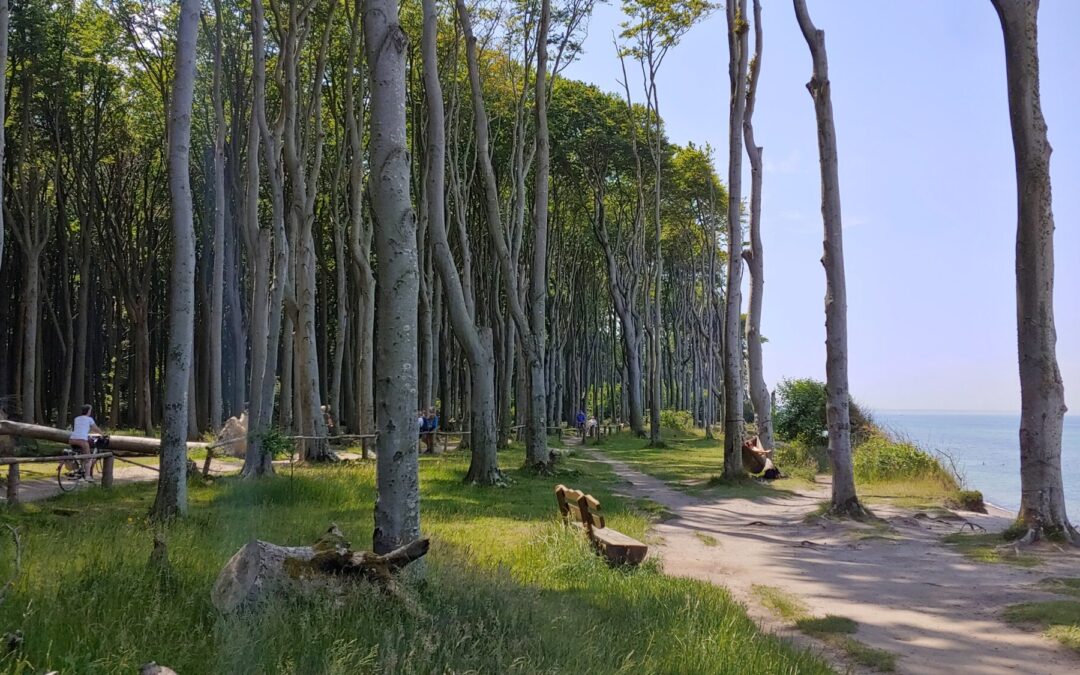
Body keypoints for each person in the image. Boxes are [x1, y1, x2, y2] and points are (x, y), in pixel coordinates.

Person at [69, 404, 103, 475]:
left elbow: (80, 428)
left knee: (79, 453)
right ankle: (87, 476)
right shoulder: (89, 419)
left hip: (72, 440)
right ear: (88, 411)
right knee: (88, 458)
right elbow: (95, 429)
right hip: (81, 440)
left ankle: (78, 469)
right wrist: (102, 434)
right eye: (90, 410)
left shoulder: (77, 418)